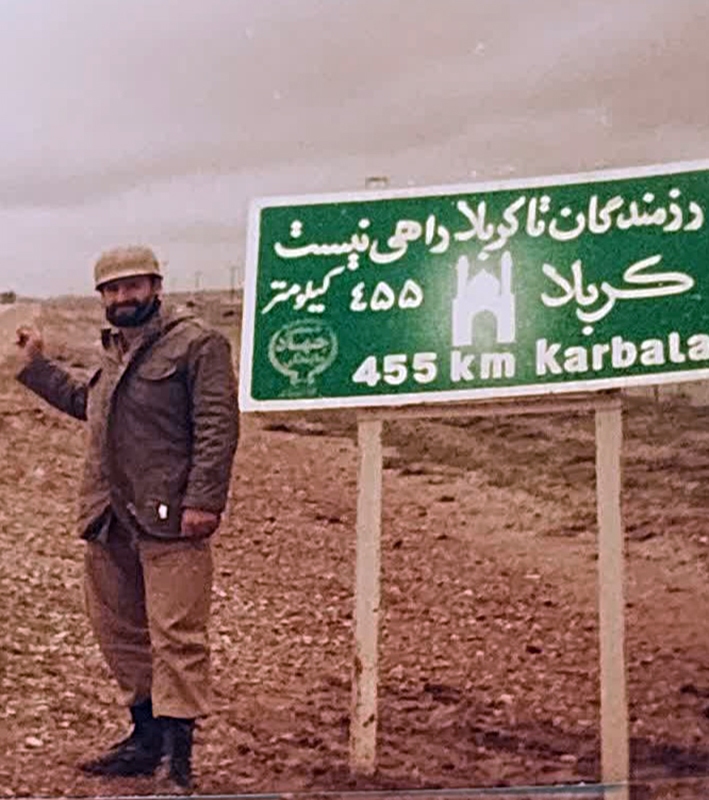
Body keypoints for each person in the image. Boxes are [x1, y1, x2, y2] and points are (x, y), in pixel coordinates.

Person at [15, 246, 239, 790]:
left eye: (133, 286)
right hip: (108, 517)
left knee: (177, 635)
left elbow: (217, 426)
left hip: (171, 518)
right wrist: (35, 367)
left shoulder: (198, 344)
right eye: (112, 289)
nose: (123, 297)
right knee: (119, 634)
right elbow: (89, 405)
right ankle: (145, 739)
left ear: (155, 286)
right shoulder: (113, 348)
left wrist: (204, 501)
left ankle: (178, 761)